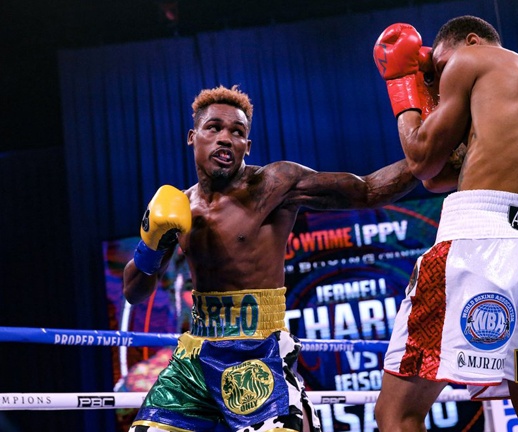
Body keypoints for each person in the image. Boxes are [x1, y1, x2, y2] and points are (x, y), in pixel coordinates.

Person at [123, 84, 419, 432]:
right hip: (195, 359)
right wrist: (152, 245)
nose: (225, 138)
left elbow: (367, 189)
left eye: (237, 132)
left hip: (257, 351)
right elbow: (134, 292)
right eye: (214, 127)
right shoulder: (179, 208)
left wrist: (429, 155)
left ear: (246, 146)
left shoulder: (273, 184)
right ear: (193, 136)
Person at [372, 16, 518, 431]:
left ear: (469, 41)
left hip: (477, 248)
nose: (439, 81)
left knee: (396, 413)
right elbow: (439, 178)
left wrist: (403, 85)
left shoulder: (470, 59)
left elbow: (420, 160)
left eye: (439, 68)